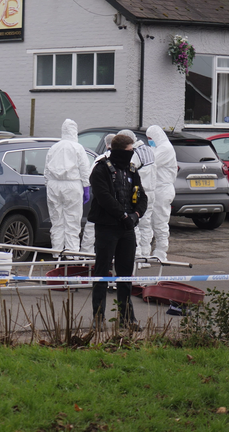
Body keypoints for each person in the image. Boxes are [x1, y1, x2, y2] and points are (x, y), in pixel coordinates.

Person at [88, 134, 147, 330]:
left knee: (125, 275)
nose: (133, 155)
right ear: (122, 151)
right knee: (102, 273)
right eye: (131, 151)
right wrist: (122, 216)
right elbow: (104, 197)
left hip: (127, 229)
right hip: (107, 227)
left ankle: (127, 317)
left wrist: (136, 215)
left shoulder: (132, 170)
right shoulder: (101, 169)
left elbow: (142, 196)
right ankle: (98, 317)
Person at [44, 119, 91, 259]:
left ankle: (56, 253)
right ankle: (71, 255)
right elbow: (84, 168)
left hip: (54, 185)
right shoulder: (77, 148)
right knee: (72, 221)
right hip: (72, 184)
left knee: (56, 220)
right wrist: (86, 186)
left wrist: (49, 184)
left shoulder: (54, 147)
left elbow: (46, 170)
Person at [117, 130, 156, 268]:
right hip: (151, 192)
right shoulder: (148, 149)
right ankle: (145, 256)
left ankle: (137, 258)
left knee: (136, 225)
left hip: (138, 192)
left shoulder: (135, 154)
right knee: (147, 225)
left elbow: (128, 171)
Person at [146, 125, 177, 262]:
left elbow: (150, 162)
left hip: (163, 189)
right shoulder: (159, 147)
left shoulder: (165, 148)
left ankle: (161, 252)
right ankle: (156, 250)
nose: (149, 141)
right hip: (158, 189)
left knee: (160, 221)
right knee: (153, 221)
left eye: (150, 139)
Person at [80, 133, 114, 254]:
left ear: (106, 144)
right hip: (116, 200)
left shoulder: (100, 160)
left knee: (92, 226)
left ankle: (86, 254)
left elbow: (91, 176)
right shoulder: (124, 159)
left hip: (100, 198)